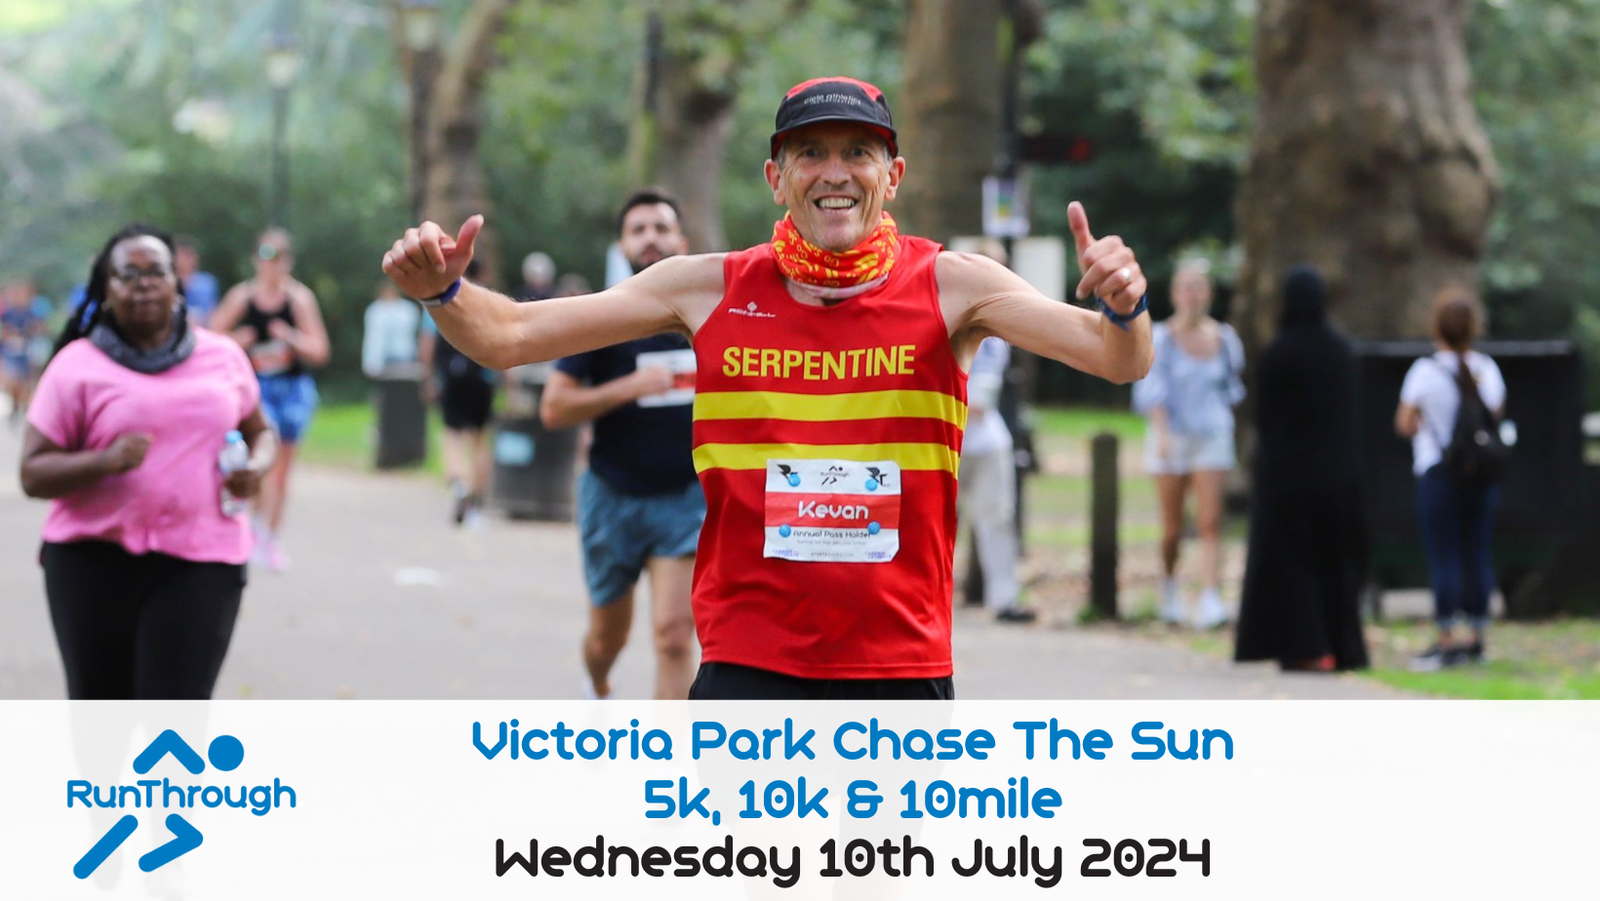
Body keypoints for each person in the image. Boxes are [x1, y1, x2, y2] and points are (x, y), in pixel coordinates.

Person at [382, 76, 1152, 700]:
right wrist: (443, 293)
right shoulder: (707, 287)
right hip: (749, 658)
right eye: (809, 152)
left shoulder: (953, 286)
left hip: (897, 662)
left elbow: (1117, 360)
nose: (835, 172)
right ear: (776, 177)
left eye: (859, 151)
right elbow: (509, 335)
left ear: (894, 175)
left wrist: (1126, 306)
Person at [17, 224, 277, 699]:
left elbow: (261, 431)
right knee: (101, 724)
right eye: (127, 274)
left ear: (176, 282)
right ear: (106, 290)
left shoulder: (222, 356)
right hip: (91, 563)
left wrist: (256, 468)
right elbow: (32, 474)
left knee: (175, 720)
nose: (143, 283)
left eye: (156, 271)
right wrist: (104, 461)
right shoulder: (77, 365)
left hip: (201, 561)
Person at [538, 189, 700, 701]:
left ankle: (668, 765)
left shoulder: (712, 319)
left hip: (687, 497)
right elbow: (554, 408)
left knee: (676, 636)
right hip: (614, 495)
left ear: (682, 240)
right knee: (608, 637)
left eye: (660, 227)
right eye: (639, 230)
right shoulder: (603, 317)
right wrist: (629, 388)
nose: (650, 238)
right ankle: (598, 680)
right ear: (622, 245)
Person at [1234, 266, 1369, 671]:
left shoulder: (1279, 352)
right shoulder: (1343, 351)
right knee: (1336, 563)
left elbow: (1267, 417)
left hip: (1290, 476)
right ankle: (1341, 646)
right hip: (1339, 475)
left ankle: (1306, 646)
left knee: (1294, 563)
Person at [1395, 289, 1505, 671]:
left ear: (1436, 327)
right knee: (1477, 553)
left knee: (1444, 555)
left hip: (1438, 473)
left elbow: (1404, 423)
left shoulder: (1425, 372)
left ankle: (1445, 639)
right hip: (1481, 477)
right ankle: (1476, 638)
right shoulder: (1487, 369)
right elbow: (1494, 416)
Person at [1131, 259, 1243, 629]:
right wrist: (1162, 435)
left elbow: (1230, 390)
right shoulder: (1160, 337)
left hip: (1211, 435)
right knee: (1173, 527)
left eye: (1199, 287)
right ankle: (1169, 586)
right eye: (1186, 287)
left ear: (1208, 293)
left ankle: (1210, 593)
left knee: (1210, 521)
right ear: (1175, 293)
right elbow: (1152, 392)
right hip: (1172, 438)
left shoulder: (1225, 340)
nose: (1193, 295)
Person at [211, 228, 330, 571]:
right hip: (254, 389)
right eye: (265, 257)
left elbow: (320, 349)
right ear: (255, 260)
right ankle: (247, 531)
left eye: (278, 258)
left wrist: (290, 338)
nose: (271, 265)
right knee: (258, 463)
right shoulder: (241, 298)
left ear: (288, 262)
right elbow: (209, 341)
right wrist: (239, 340)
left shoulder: (300, 300)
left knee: (281, 471)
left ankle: (269, 537)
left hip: (292, 391)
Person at [960, 334, 1032, 623]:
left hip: (986, 441)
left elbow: (982, 396)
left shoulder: (992, 337)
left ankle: (1004, 599)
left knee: (998, 518)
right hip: (938, 438)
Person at [419, 260, 495, 527]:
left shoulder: (439, 298)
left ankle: (458, 483)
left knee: (452, 435)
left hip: (452, 377)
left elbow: (427, 344)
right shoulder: (490, 300)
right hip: (483, 377)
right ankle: (476, 498)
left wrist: (428, 378)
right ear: (483, 272)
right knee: (480, 438)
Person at [361, 279, 421, 377]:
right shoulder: (375, 311)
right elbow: (372, 338)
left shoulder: (407, 309)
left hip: (405, 357)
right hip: (382, 360)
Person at [174, 236, 220, 328]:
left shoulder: (207, 284)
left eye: (188, 256)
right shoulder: (167, 284)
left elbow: (213, 316)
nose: (184, 261)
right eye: (182, 256)